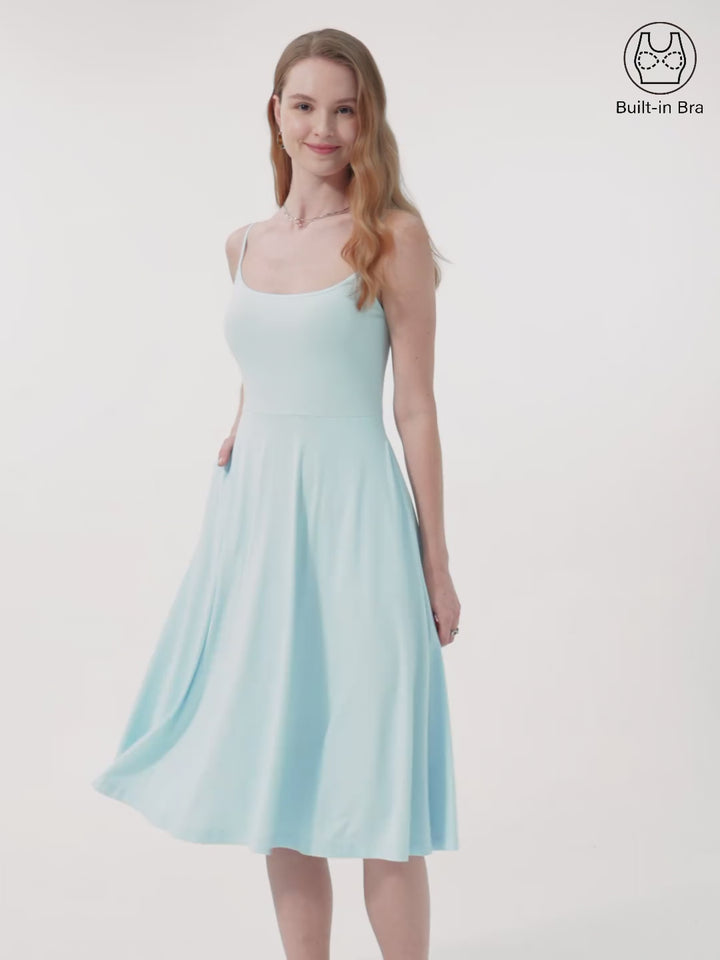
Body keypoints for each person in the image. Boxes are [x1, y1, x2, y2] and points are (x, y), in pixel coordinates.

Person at [93, 27, 461, 960]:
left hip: (358, 525)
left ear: (368, 120)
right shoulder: (242, 244)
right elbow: (268, 356)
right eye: (304, 105)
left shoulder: (392, 237)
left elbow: (415, 407)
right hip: (256, 524)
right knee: (281, 779)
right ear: (276, 112)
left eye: (344, 109)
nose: (323, 127)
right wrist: (243, 419)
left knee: (380, 788)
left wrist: (437, 564)